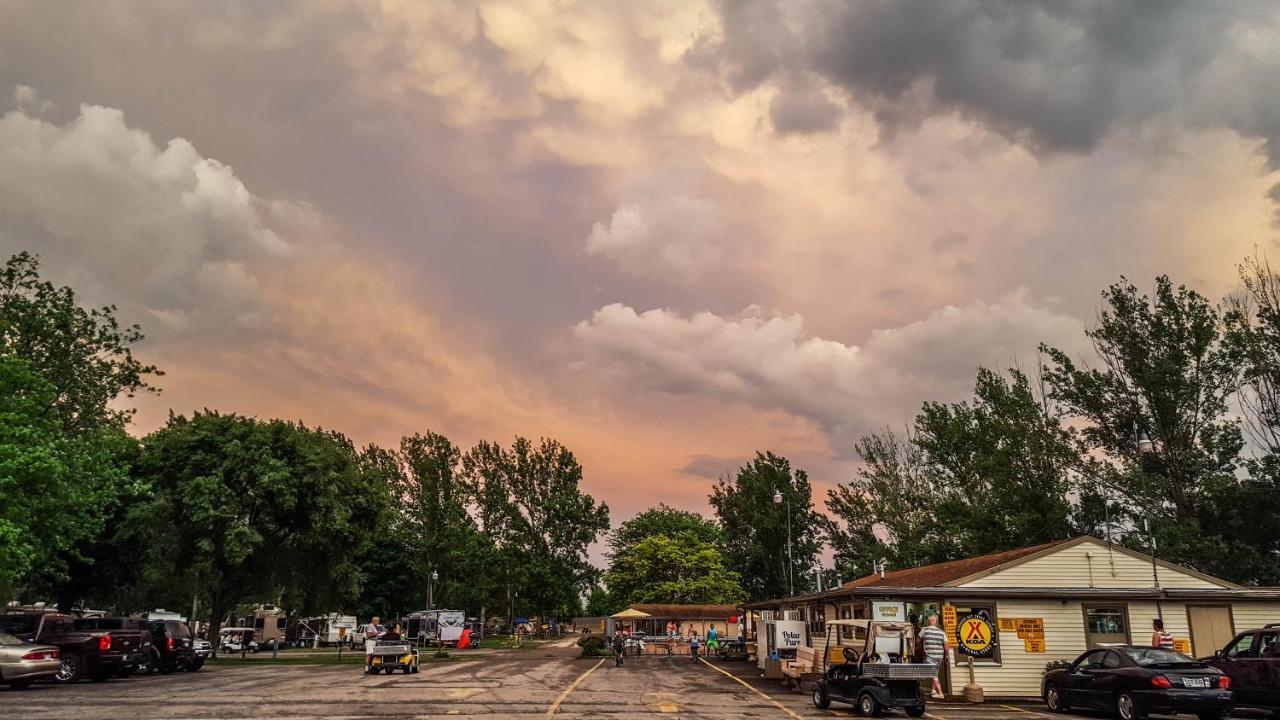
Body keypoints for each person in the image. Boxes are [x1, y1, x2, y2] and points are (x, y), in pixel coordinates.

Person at [918, 615, 948, 700]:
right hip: (940, 655)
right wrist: (946, 655)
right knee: (936, 672)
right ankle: (933, 690)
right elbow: (946, 645)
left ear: (928, 621)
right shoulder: (941, 632)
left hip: (930, 655)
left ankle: (940, 693)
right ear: (936, 622)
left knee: (933, 674)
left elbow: (918, 640)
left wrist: (921, 649)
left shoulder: (924, 630)